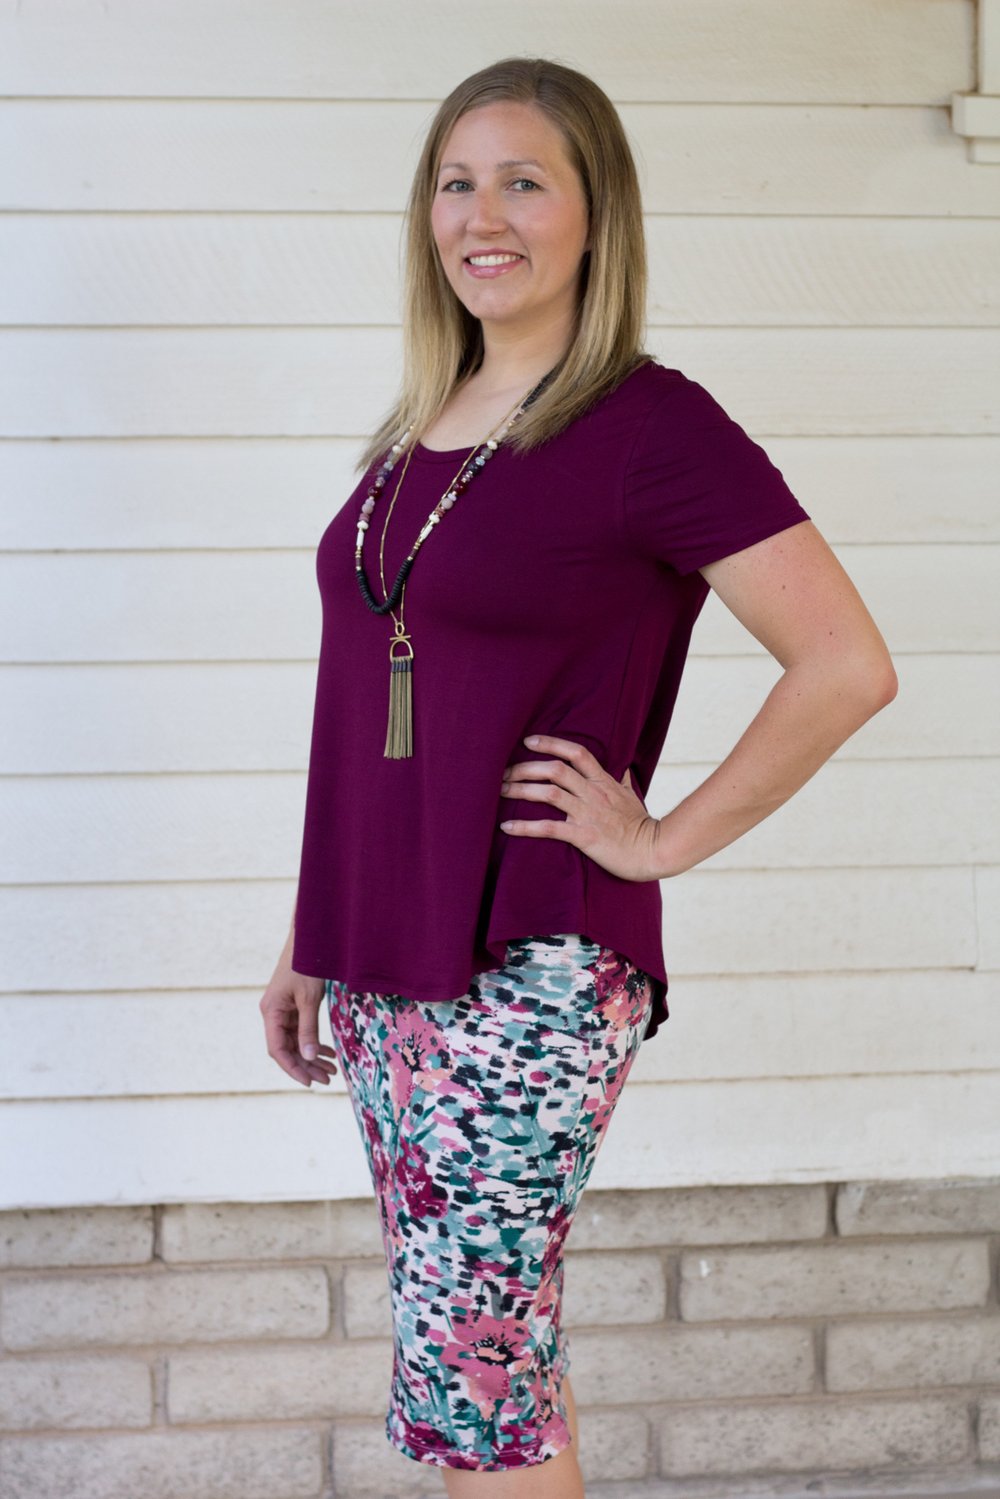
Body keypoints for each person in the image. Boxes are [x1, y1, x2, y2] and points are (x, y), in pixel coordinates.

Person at [259, 55, 898, 1498]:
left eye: (525, 180)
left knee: (482, 1375)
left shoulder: (648, 426)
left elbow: (846, 664)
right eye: (455, 180)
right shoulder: (422, 428)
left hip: (527, 966)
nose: (482, 214)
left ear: (597, 215)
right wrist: (314, 933)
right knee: (470, 1368)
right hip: (386, 968)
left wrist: (660, 839)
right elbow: (373, 710)